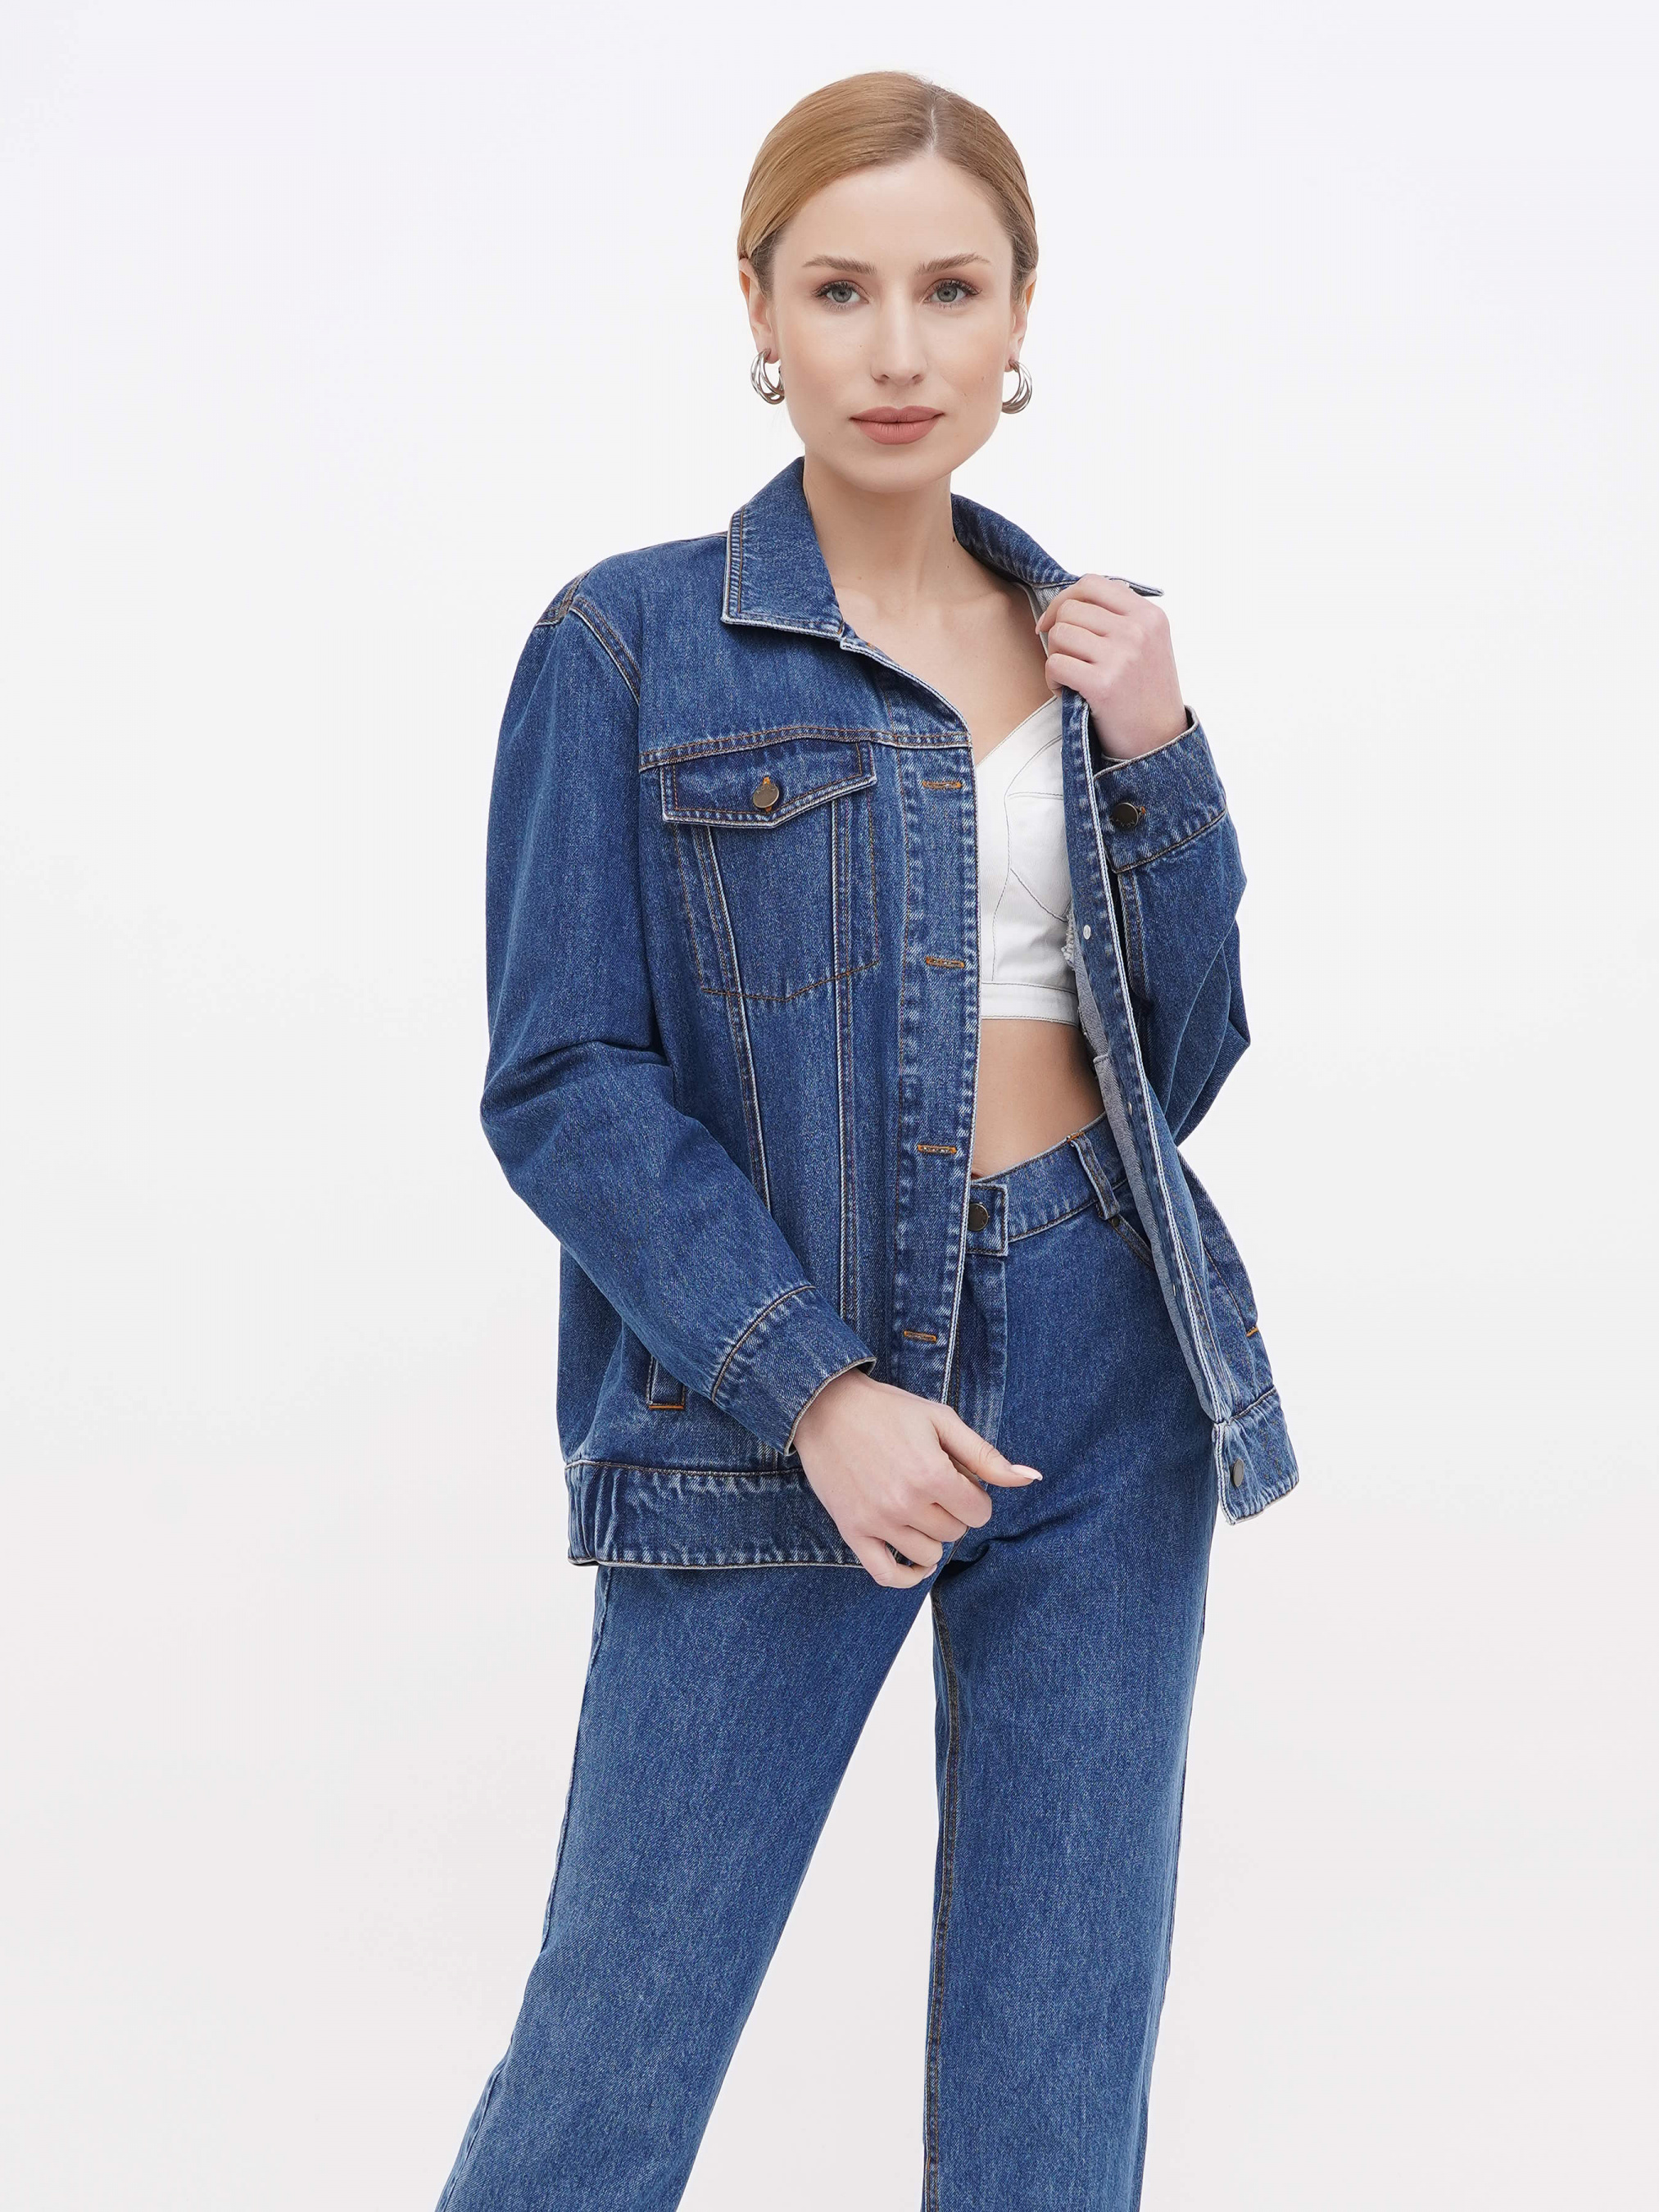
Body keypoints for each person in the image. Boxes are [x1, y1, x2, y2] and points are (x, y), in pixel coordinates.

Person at [434, 68, 1298, 2212]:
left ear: (1021, 314)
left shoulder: (1089, 647)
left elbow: (1181, 1063)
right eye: (839, 290)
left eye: (948, 289)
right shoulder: (630, 642)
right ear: (757, 308)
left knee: (1054, 2062)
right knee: (616, 2048)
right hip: (783, 1388)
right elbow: (562, 1079)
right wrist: (813, 1383)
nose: (897, 349)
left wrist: (1159, 754)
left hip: (1110, 1357)